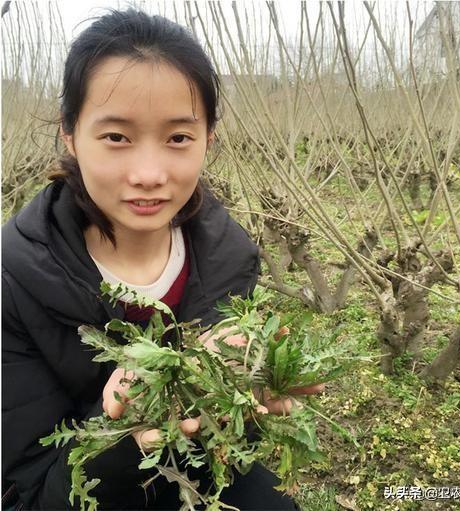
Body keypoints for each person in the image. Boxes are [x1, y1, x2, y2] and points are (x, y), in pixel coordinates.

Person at [2, 9, 323, 510]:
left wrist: (249, 395)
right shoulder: (12, 279)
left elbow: (226, 450)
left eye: (178, 138)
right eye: (116, 137)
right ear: (70, 133)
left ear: (208, 139)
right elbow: (27, 492)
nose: (149, 174)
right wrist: (123, 435)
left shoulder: (229, 258)